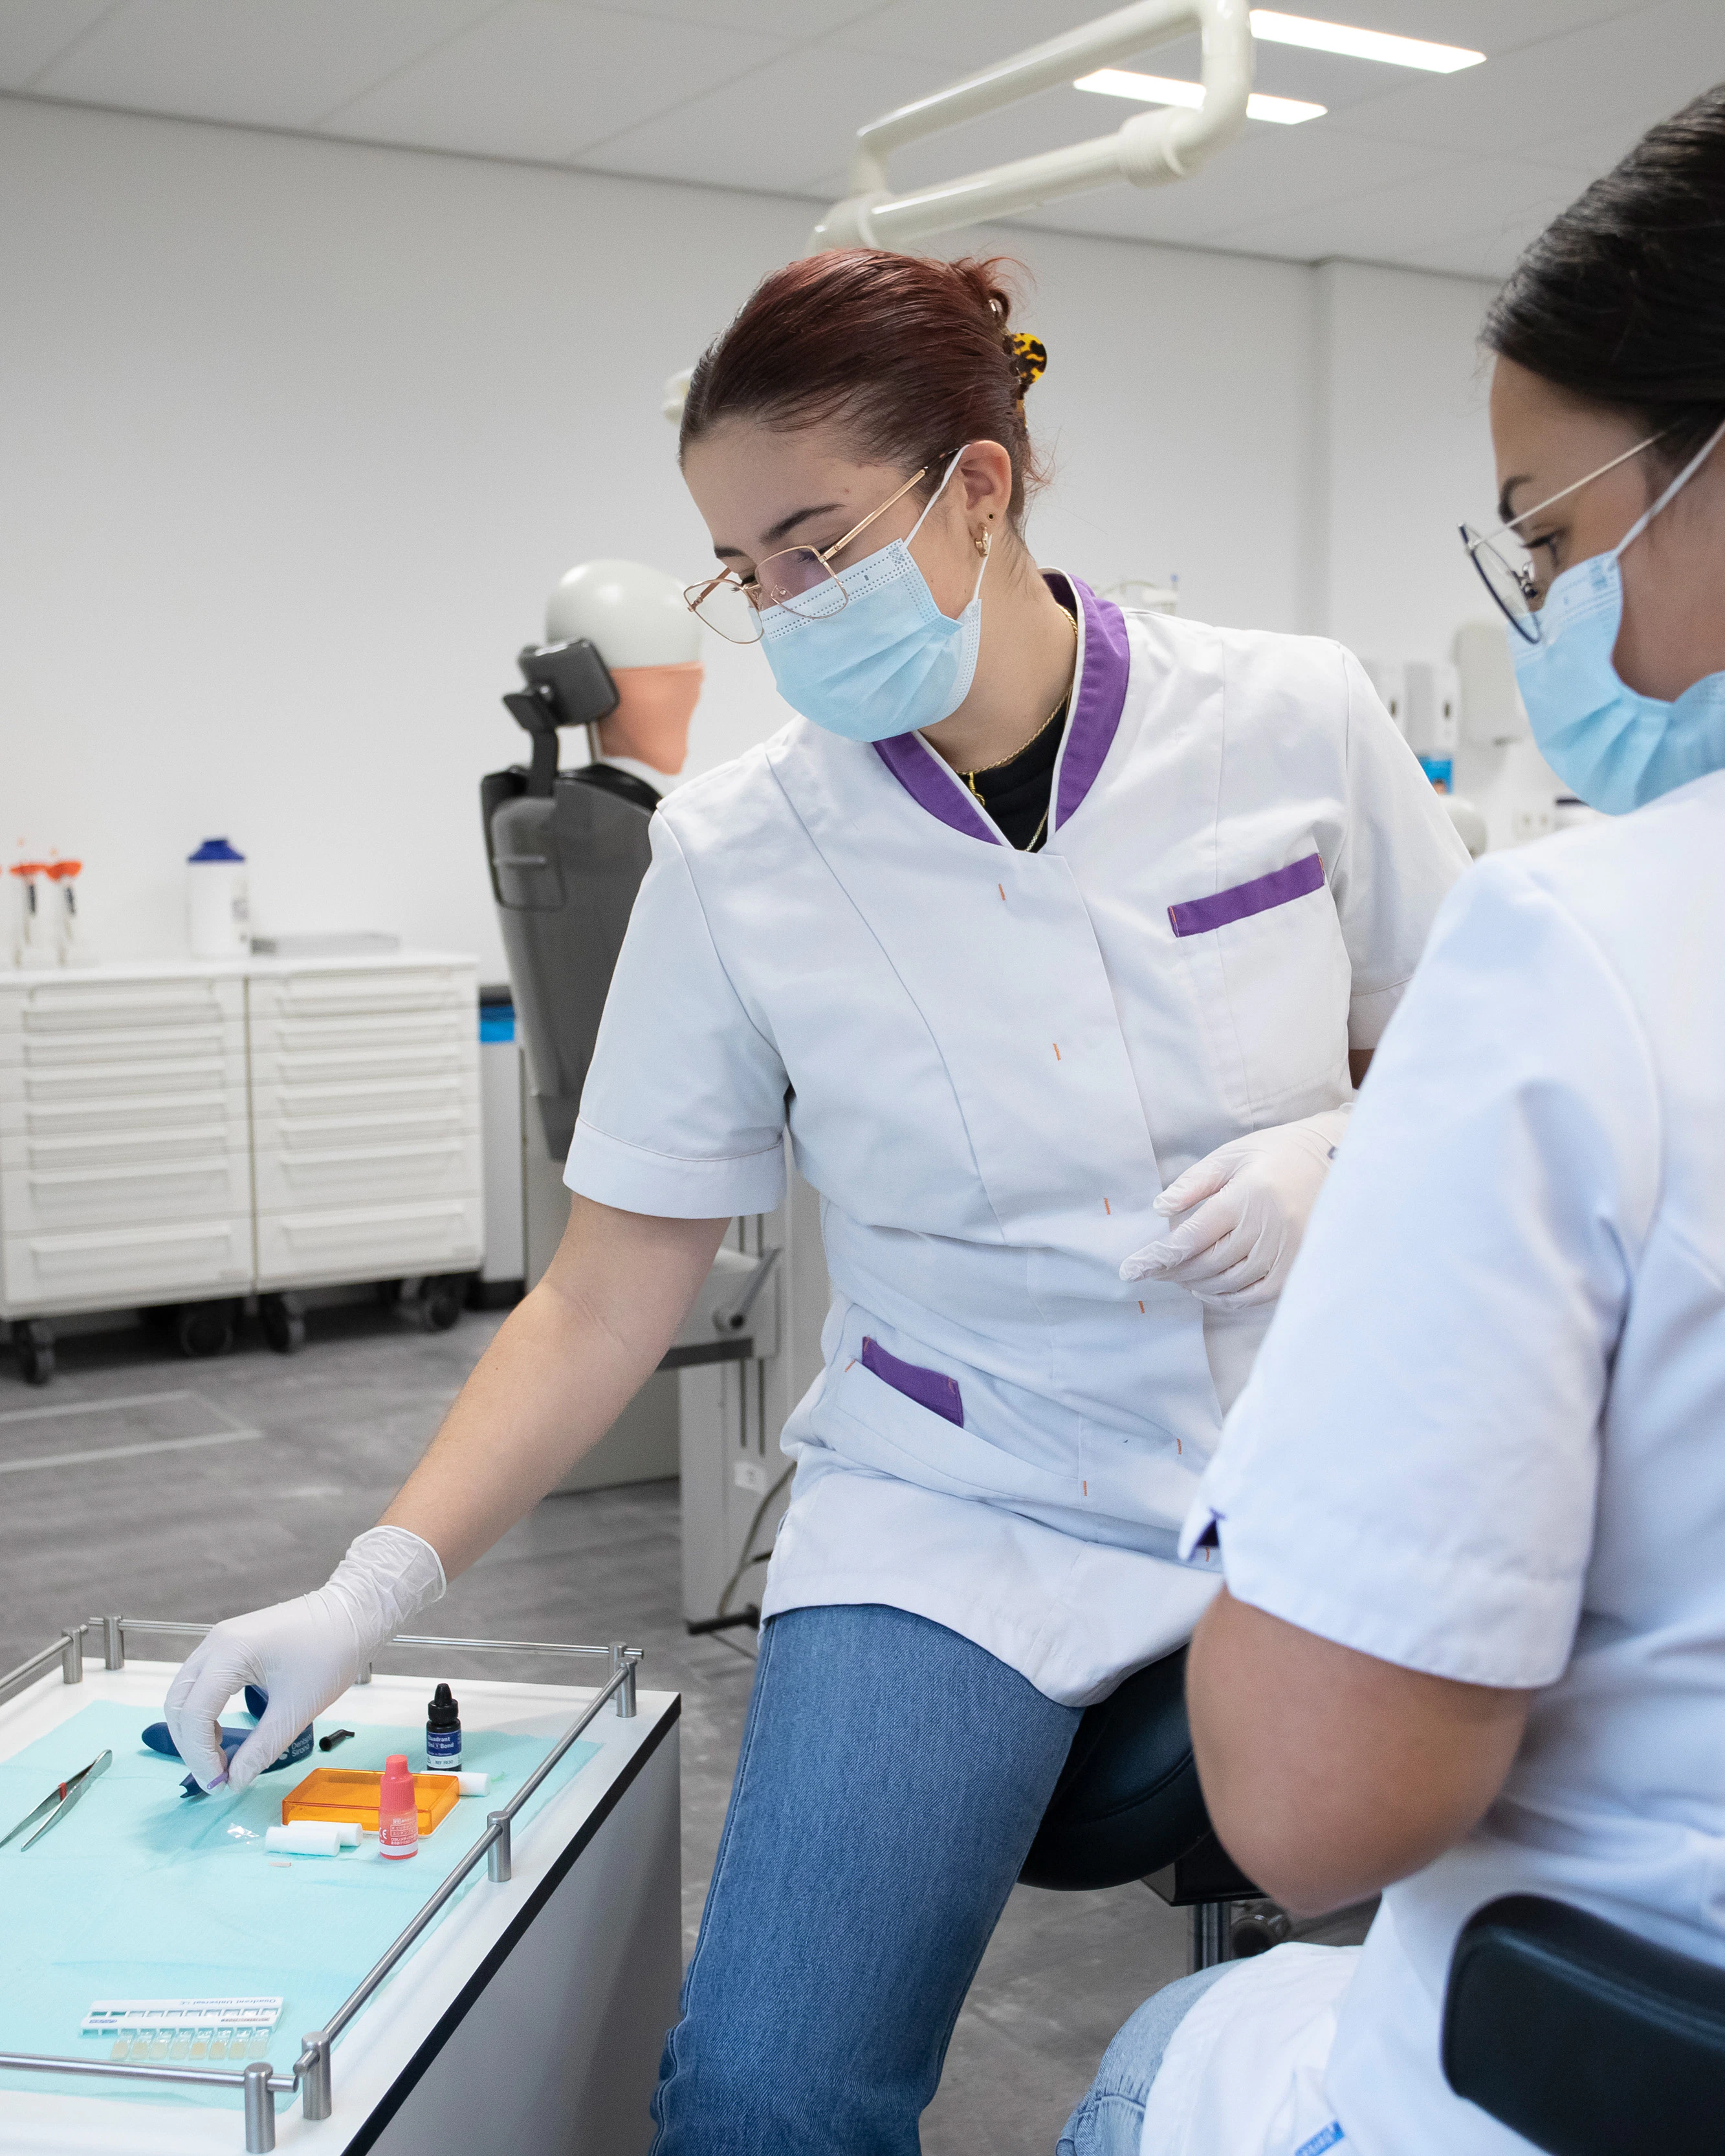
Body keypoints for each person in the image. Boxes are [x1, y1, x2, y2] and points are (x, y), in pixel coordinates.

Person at [165, 248, 1466, 2151]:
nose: (779, 609)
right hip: (962, 1492)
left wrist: (1339, 1147)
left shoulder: (1292, 717)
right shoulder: (739, 853)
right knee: (767, 2091)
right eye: (742, 567)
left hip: (1312, 1454)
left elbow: (1476, 1065)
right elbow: (606, 1288)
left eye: (810, 543)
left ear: (981, 486)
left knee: (1477, 1996)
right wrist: (370, 1588)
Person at [1060, 85, 1725, 2156]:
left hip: (1598, 2054)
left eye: (1549, 536)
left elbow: (1319, 1805)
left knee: (1176, 2058)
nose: (1551, 614)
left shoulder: (1585, 947)